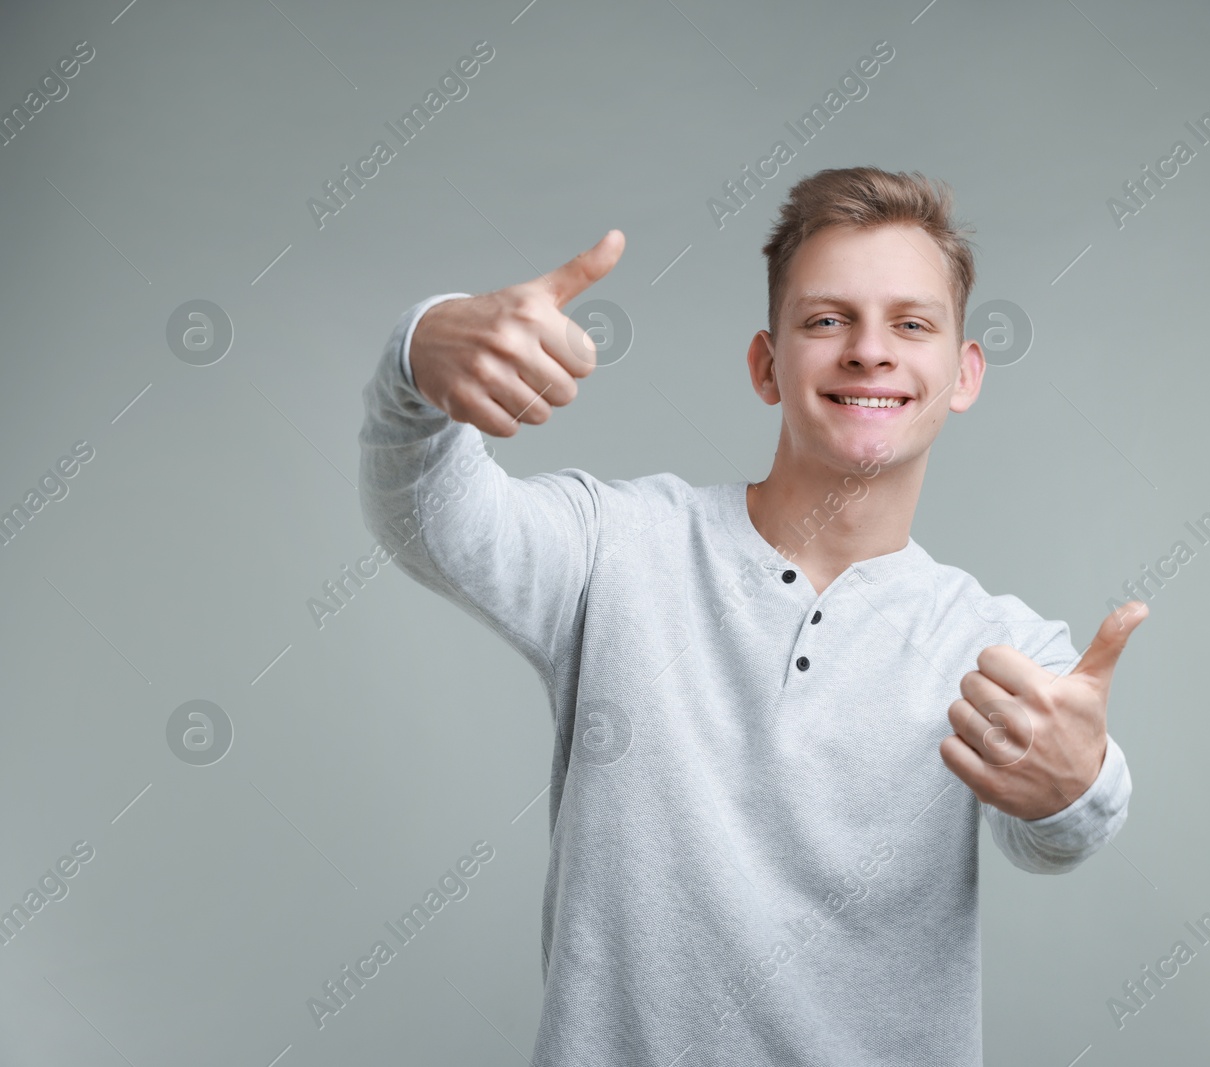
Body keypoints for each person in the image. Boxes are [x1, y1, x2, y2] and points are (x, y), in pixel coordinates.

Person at [358, 165, 1144, 1065]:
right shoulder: (618, 546)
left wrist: (1079, 785)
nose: (869, 350)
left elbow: (1065, 824)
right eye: (826, 319)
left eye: (912, 323)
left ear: (963, 374)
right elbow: (432, 522)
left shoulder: (994, 646)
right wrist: (417, 357)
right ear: (767, 367)